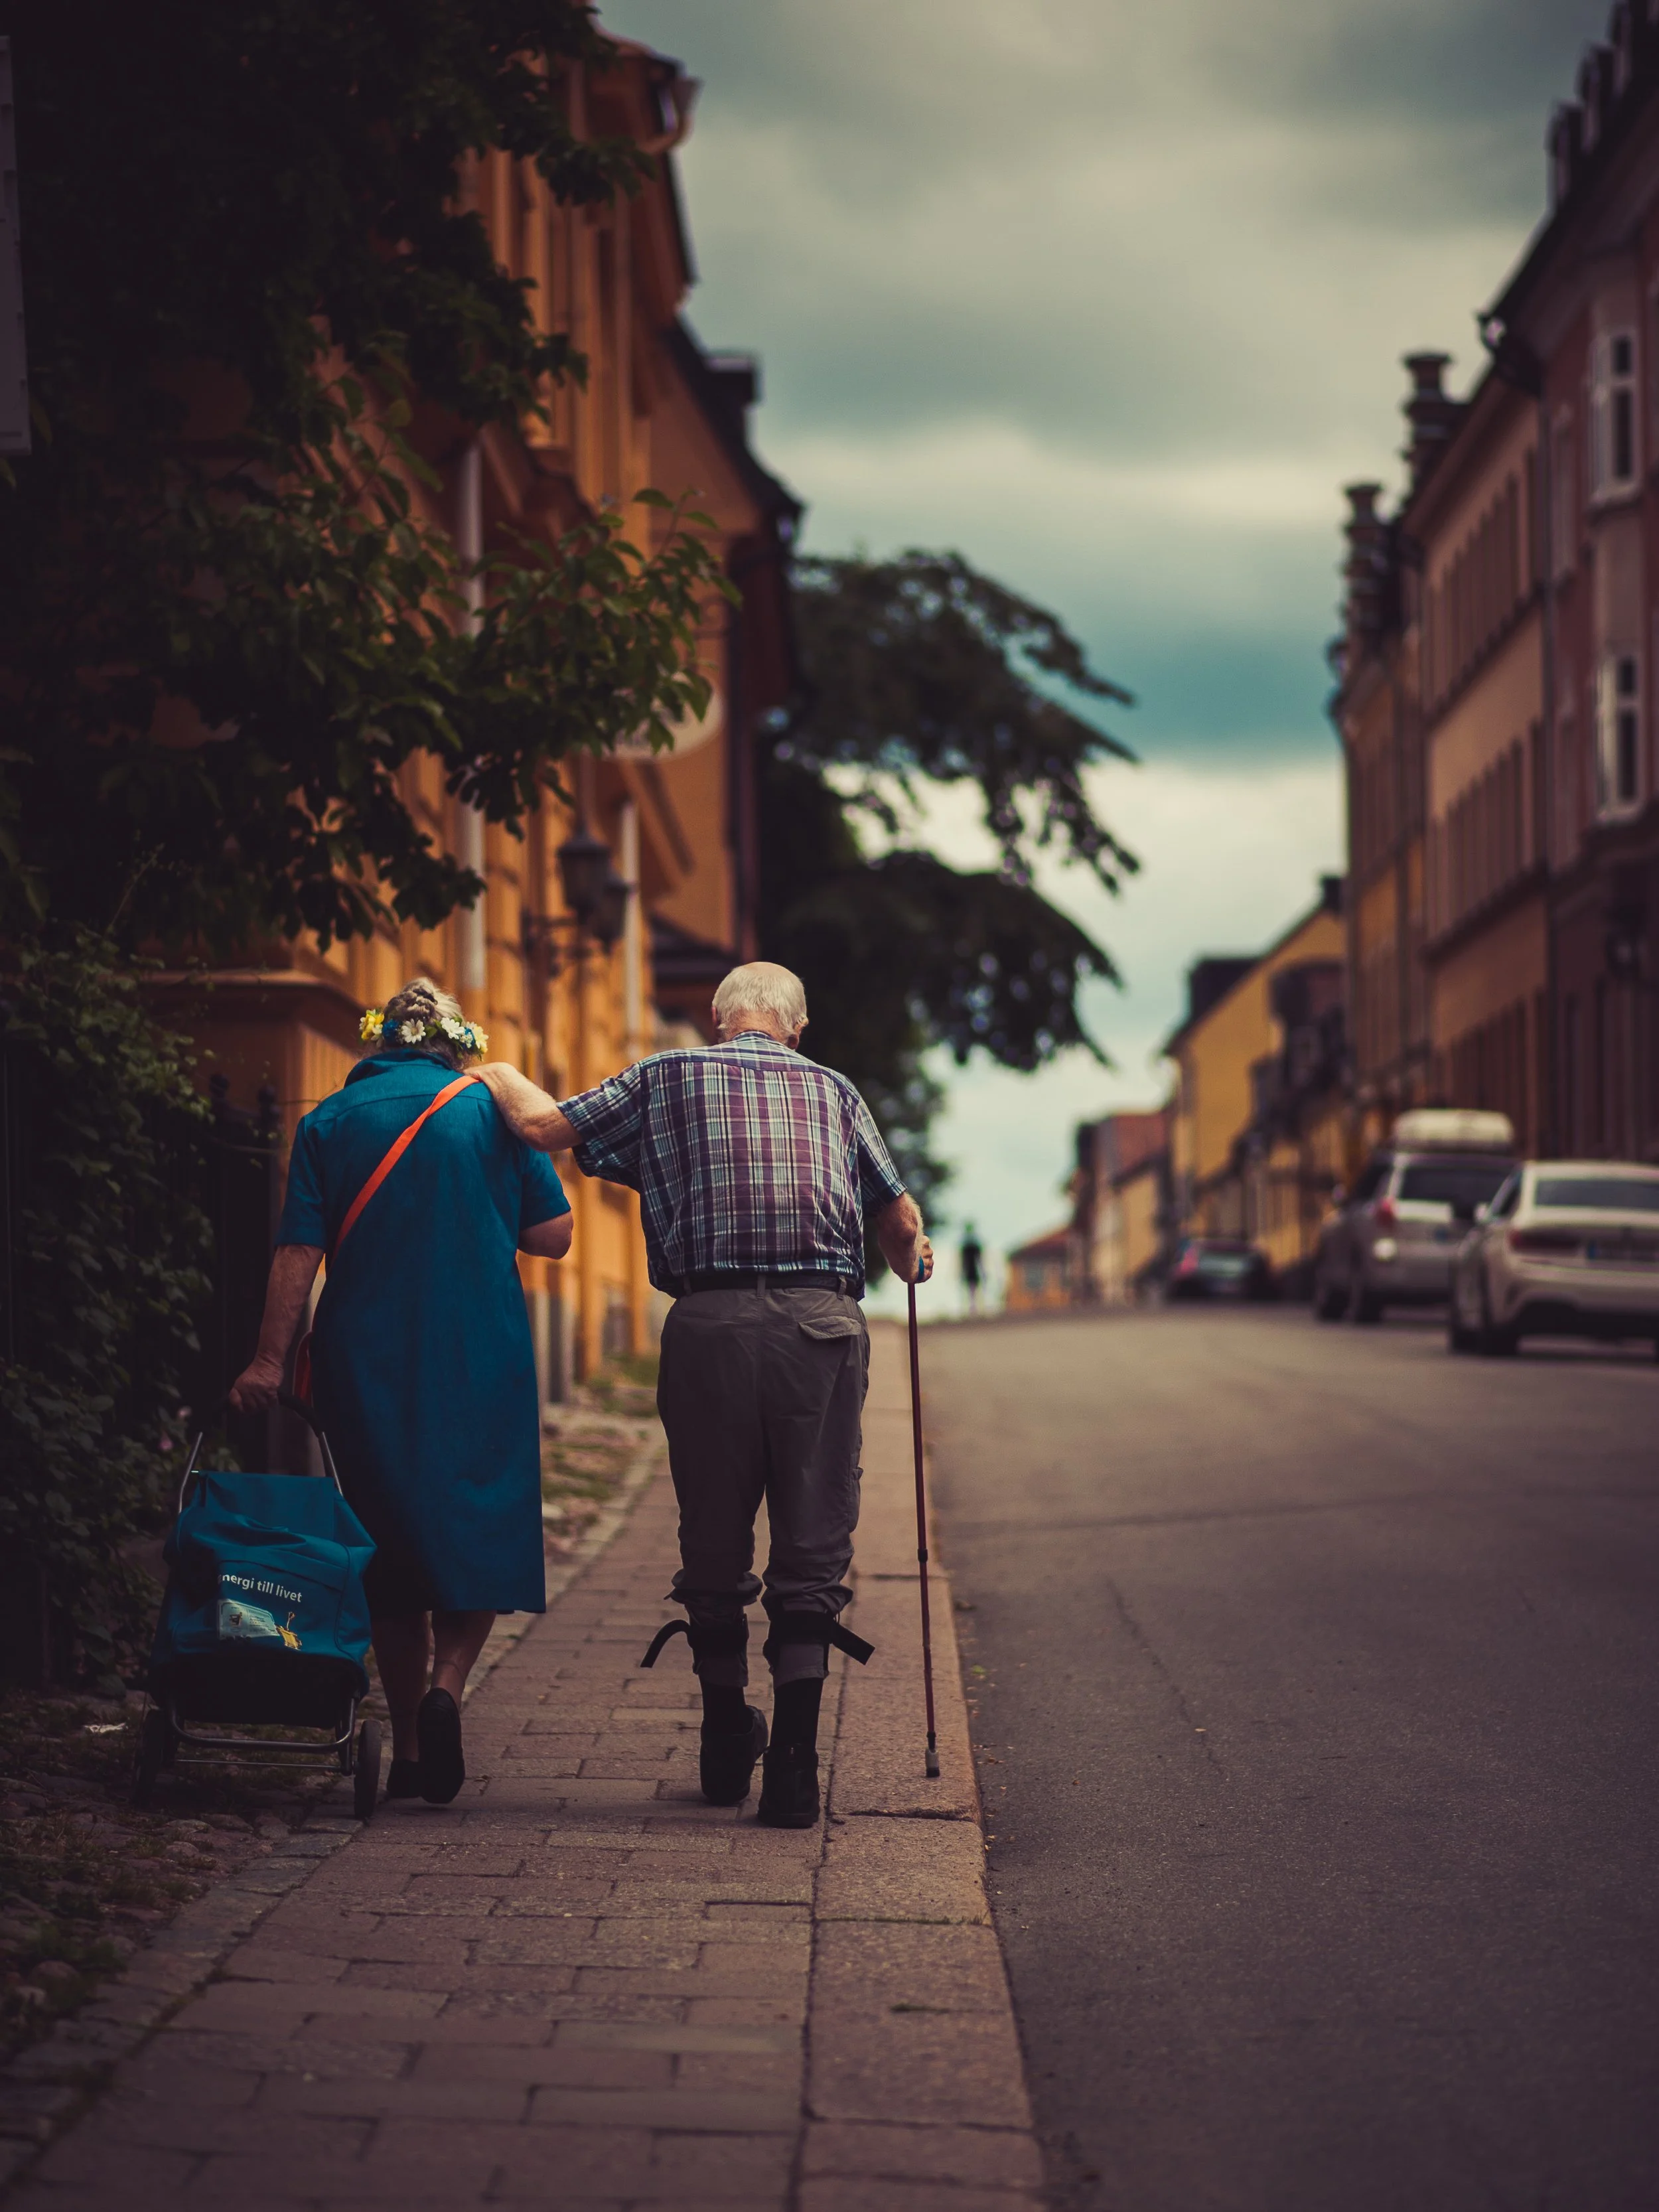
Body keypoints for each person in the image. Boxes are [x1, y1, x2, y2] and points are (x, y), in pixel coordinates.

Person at [476, 960, 932, 1828]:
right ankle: (794, 1768)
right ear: (795, 1027)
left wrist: (489, 1066)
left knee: (715, 1542)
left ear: (721, 1020)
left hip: (709, 1324)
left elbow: (540, 1127)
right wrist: (917, 1263)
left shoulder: (662, 1074)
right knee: (814, 1540)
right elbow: (901, 1224)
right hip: (820, 1328)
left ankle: (726, 1735)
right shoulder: (833, 1090)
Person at [229, 979, 573, 1806]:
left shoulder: (327, 1124)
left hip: (366, 1360)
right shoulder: (491, 1111)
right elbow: (554, 1237)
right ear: (454, 1046)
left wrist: (269, 1361)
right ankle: (450, 1686)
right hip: (481, 1352)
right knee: (476, 1525)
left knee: (384, 1539)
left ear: (374, 1048)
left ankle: (414, 1742)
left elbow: (297, 1254)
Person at [960, 1223, 985, 1316]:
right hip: (972, 1269)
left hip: (970, 1269)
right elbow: (979, 1260)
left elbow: (964, 1261)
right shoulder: (974, 1244)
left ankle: (973, 1308)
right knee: (973, 1289)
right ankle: (973, 1309)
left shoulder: (966, 1245)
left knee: (971, 1290)